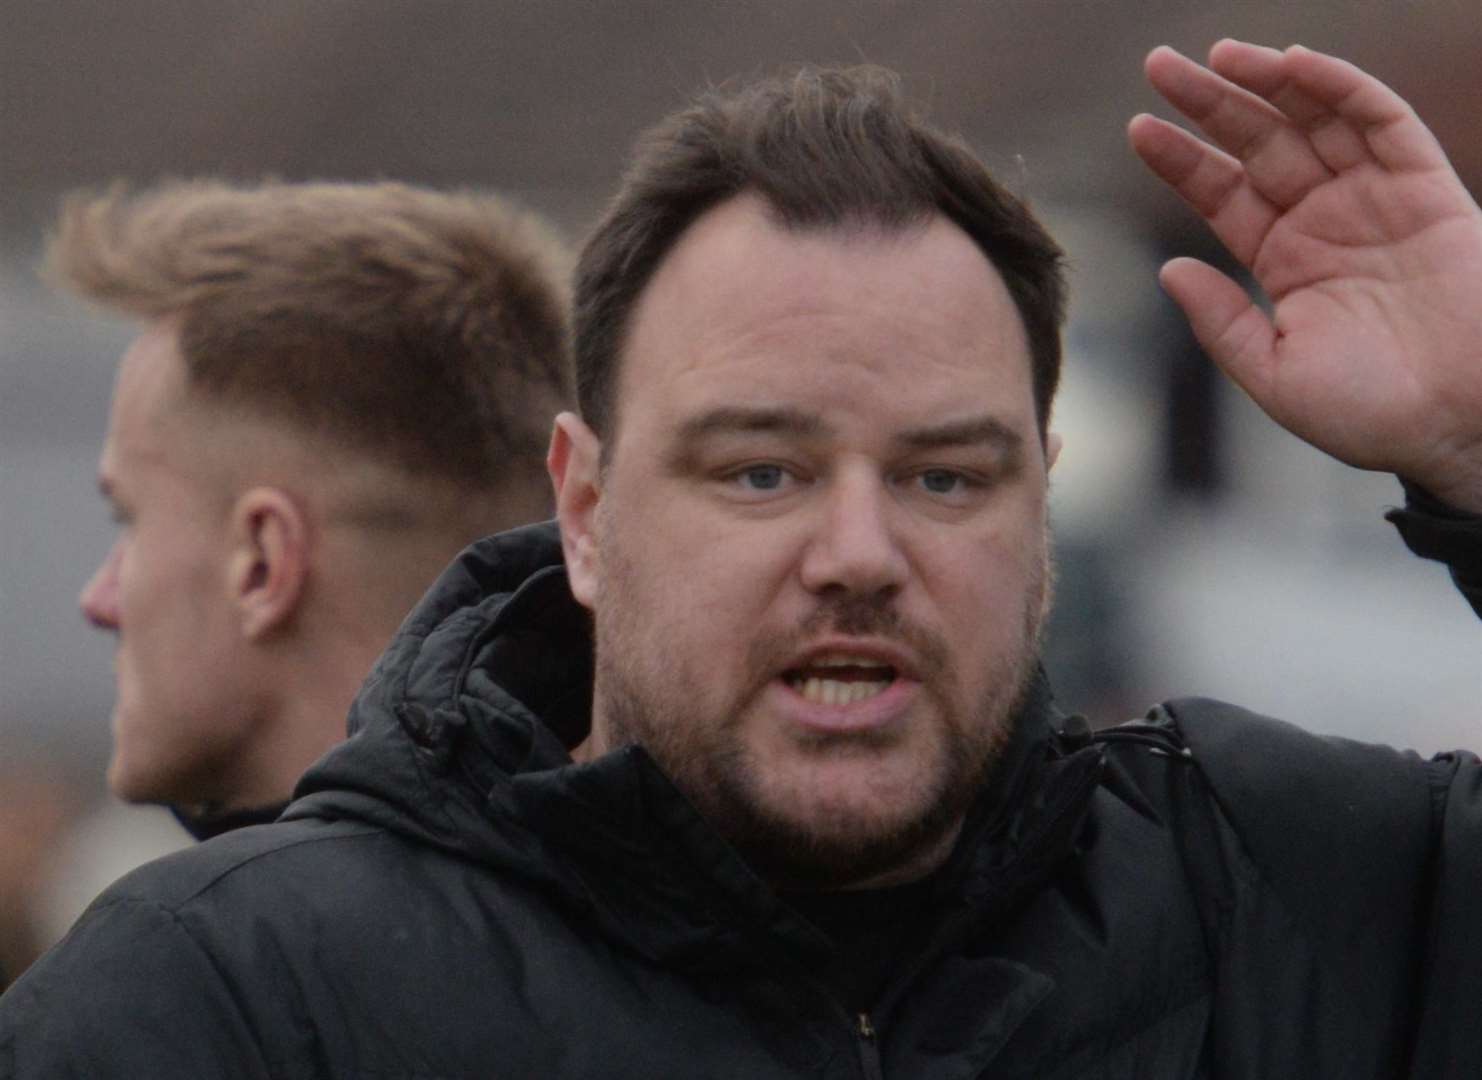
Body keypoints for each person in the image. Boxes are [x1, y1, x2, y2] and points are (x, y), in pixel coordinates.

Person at [3, 40, 1481, 1076]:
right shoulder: (224, 1003)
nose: (858, 553)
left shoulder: (1294, 906)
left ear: (1039, 504)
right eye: (759, 470)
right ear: (582, 511)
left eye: (943, 475)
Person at [51, 180, 573, 839]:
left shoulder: (189, 939)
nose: (97, 601)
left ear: (263, 562)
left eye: (128, 519)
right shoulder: (668, 916)